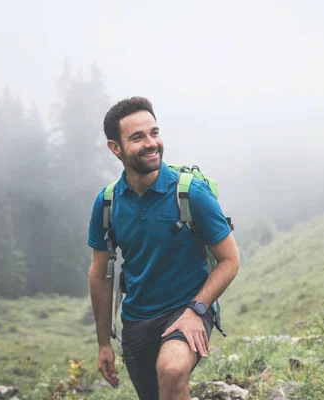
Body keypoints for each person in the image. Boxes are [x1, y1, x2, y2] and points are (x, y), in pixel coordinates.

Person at [87, 96, 240, 399]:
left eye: (154, 133)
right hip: (137, 321)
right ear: (115, 148)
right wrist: (104, 343)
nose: (151, 143)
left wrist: (196, 310)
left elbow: (230, 260)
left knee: (171, 372)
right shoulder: (107, 203)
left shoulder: (190, 192)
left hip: (187, 307)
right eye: (137, 137)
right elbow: (100, 274)